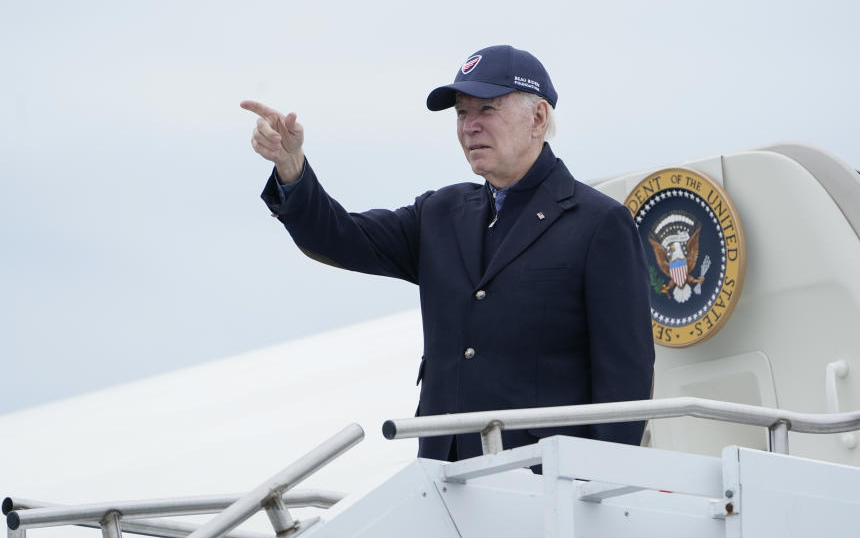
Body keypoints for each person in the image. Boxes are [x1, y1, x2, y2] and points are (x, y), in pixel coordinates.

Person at [244, 45, 654, 461]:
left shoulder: (599, 224)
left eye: (486, 110)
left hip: (545, 492)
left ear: (538, 118)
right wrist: (291, 167)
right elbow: (338, 237)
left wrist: (592, 495)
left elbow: (625, 381)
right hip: (441, 481)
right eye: (461, 113)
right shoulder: (440, 214)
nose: (469, 126)